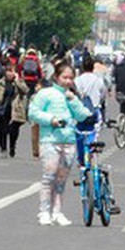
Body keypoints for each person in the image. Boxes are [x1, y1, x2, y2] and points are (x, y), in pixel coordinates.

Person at [27, 61, 92, 225]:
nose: (68, 81)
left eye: (71, 78)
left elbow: (82, 115)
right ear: (56, 77)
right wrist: (51, 120)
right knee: (49, 177)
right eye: (65, 77)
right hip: (50, 140)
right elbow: (33, 112)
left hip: (69, 141)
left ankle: (57, 212)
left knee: (62, 179)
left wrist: (74, 100)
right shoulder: (46, 93)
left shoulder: (72, 96)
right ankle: (44, 212)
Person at [0, 63, 29, 158]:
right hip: (2, 110)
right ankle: (3, 149)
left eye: (12, 71)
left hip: (15, 110)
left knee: (13, 130)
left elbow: (25, 90)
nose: (10, 73)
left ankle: (12, 146)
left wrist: (17, 81)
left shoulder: (18, 82)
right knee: (2, 130)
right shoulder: (0, 83)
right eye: (8, 71)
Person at [73, 57, 107, 166]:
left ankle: (81, 160)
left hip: (80, 111)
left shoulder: (77, 80)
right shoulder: (98, 80)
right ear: (93, 68)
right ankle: (91, 154)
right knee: (93, 133)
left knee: (79, 135)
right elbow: (103, 94)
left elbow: (74, 95)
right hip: (94, 111)